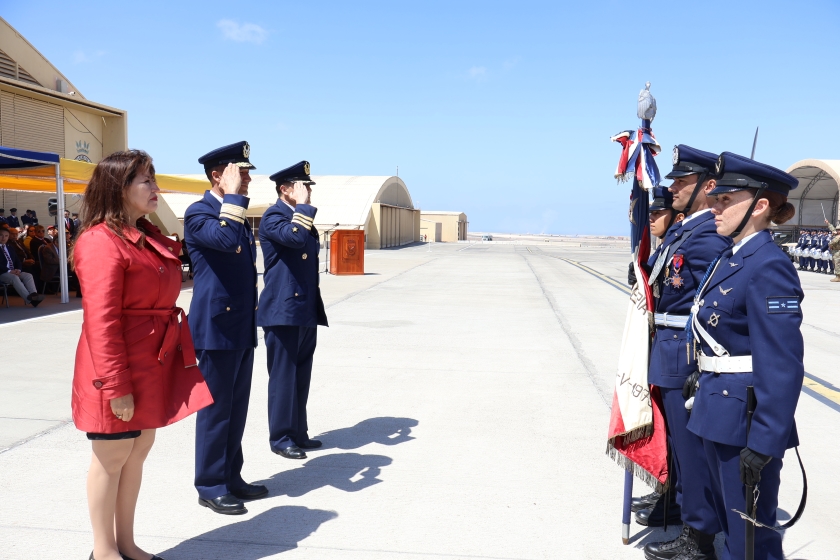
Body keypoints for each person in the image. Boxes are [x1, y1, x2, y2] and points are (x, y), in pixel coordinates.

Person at [70, 150, 213, 560]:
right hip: (116, 367)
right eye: (146, 180)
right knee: (112, 456)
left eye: (153, 178)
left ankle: (126, 544)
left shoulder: (144, 235)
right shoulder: (100, 241)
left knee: (137, 452)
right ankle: (103, 551)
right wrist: (117, 386)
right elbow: (102, 322)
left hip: (151, 362)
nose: (156, 187)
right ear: (119, 188)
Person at [685, 152, 803, 560]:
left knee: (752, 541)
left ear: (760, 206)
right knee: (733, 531)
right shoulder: (730, 256)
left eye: (725, 200)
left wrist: (767, 439)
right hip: (717, 408)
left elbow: (782, 362)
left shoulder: (769, 265)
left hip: (746, 422)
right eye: (715, 199)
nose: (714, 207)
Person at [638, 145, 731, 560]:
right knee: (677, 445)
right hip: (668, 348)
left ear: (707, 186)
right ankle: (680, 507)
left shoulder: (707, 234)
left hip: (684, 352)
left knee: (691, 452)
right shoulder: (684, 231)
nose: (673, 187)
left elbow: (717, 303)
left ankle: (699, 536)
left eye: (682, 181)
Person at [185, 141, 265, 515]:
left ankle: (231, 476)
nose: (247, 179)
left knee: (236, 408)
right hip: (215, 328)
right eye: (240, 172)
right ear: (218, 175)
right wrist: (232, 197)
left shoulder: (234, 213)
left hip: (240, 325)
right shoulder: (200, 212)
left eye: (246, 173)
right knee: (216, 411)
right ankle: (211, 484)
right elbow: (224, 239)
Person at [258, 161, 329, 460]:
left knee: (301, 374)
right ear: (285, 189)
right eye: (302, 186)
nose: (307, 191)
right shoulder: (274, 216)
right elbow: (295, 238)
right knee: (283, 377)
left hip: (304, 308)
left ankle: (299, 432)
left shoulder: (300, 217)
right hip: (283, 310)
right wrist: (303, 207)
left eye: (308, 187)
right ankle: (281, 437)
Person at [0, 227, 44, 307]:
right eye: (1, 235)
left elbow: (17, 260)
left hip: (13, 271)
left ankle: (33, 294)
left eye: (6, 236)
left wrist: (18, 269)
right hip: (2, 273)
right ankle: (30, 300)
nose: (4, 238)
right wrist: (9, 271)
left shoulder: (10, 247)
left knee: (28, 275)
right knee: (14, 278)